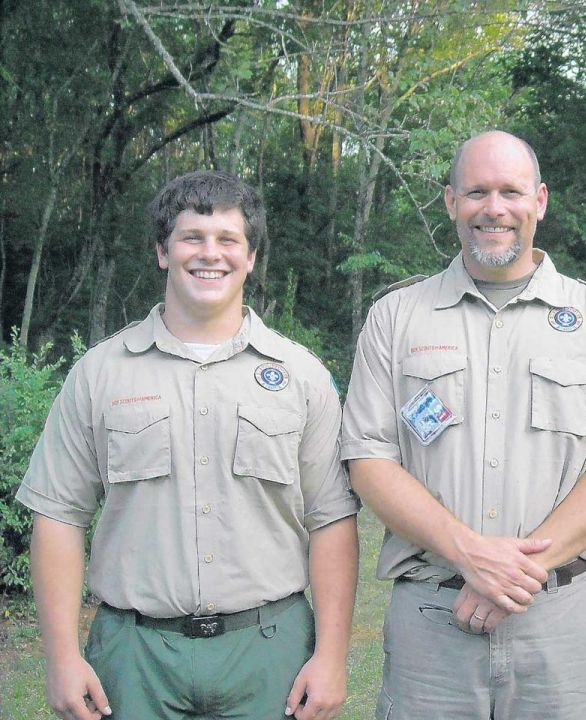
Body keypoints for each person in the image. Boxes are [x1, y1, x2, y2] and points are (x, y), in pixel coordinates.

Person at [17, 171, 360, 720]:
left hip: (269, 653)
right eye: (191, 237)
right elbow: (58, 515)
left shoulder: (302, 377)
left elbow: (332, 520)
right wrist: (60, 656)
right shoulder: (100, 374)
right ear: (162, 251)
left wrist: (332, 656)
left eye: (228, 239)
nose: (210, 254)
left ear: (251, 257)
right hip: (135, 658)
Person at [340, 130, 586, 719]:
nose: (494, 208)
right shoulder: (395, 316)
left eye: (510, 192)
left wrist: (513, 575)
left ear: (540, 200)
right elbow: (369, 460)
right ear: (450, 201)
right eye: (476, 192)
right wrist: (469, 555)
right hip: (432, 624)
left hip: (559, 624)